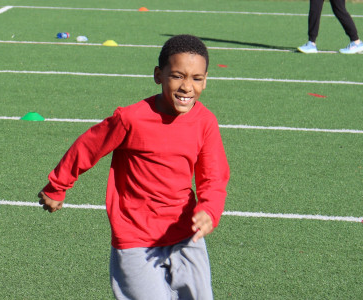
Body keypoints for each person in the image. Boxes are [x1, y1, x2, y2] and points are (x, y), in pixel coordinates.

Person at [38, 34, 230, 300]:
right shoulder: (131, 118)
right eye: (177, 76)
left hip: (187, 237)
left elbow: (214, 176)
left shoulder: (206, 122)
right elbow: (89, 146)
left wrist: (209, 209)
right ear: (158, 75)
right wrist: (57, 186)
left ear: (206, 80)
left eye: (196, 78)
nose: (187, 87)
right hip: (135, 238)